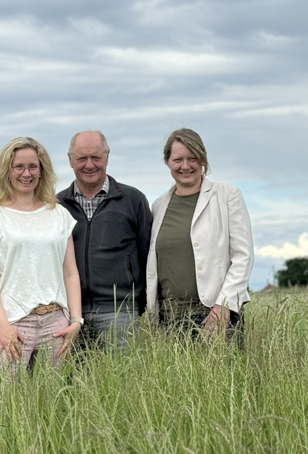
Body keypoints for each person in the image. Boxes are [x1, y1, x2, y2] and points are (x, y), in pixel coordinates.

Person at [0, 137, 82, 370]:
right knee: (6, 403)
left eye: (33, 166)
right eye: (18, 167)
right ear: (7, 170)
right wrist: (2, 326)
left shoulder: (59, 214)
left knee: (51, 402)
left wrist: (76, 321)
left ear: (42, 170)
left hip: (56, 323)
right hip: (11, 323)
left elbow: (70, 273)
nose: (26, 173)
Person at [146, 128, 254, 334]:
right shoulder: (159, 206)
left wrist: (224, 305)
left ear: (203, 160)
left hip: (216, 314)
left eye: (192, 158)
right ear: (167, 162)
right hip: (169, 317)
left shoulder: (227, 196)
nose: (185, 166)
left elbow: (243, 256)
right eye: (178, 159)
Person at [57, 131, 152, 351]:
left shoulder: (133, 200)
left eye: (96, 157)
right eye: (82, 158)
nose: (89, 164)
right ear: (70, 160)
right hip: (69, 314)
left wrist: (142, 304)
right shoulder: (57, 205)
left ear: (107, 157)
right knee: (72, 382)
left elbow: (147, 255)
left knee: (122, 383)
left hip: (119, 312)